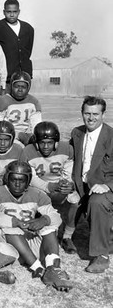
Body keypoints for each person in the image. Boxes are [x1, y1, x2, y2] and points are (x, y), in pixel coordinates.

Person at [0, 161, 73, 292]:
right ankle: (37, 267)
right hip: (8, 244)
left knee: (49, 226)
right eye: (13, 179)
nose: (17, 184)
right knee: (11, 228)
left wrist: (44, 220)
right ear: (7, 179)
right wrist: (16, 222)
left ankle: (52, 268)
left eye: (21, 180)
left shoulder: (38, 194)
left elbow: (56, 217)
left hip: (29, 243)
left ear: (28, 181)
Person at [20, 121, 79, 254]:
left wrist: (67, 184)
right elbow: (31, 178)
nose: (46, 146)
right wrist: (48, 186)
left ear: (56, 143)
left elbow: (69, 172)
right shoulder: (28, 152)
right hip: (38, 186)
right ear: (36, 143)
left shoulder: (67, 149)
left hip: (59, 183)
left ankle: (67, 236)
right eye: (42, 142)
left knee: (76, 200)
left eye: (50, 142)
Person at [69, 96, 113, 273]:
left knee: (97, 201)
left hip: (105, 188)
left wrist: (108, 185)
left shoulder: (111, 137)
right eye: (87, 113)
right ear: (82, 113)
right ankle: (65, 236)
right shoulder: (77, 133)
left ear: (103, 114)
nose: (91, 118)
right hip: (83, 186)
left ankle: (101, 255)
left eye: (96, 114)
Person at [0, 0, 34, 87]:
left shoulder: (28, 28)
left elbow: (28, 51)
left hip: (24, 76)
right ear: (4, 12)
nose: (11, 15)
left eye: (14, 12)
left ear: (19, 11)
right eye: (8, 12)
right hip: (6, 77)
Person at [0, 70, 42, 146]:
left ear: (28, 87)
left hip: (26, 133)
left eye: (23, 87)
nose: (20, 89)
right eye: (17, 86)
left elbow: (36, 124)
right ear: (11, 86)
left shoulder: (33, 102)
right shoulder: (3, 100)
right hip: (7, 133)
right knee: (20, 148)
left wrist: (35, 136)